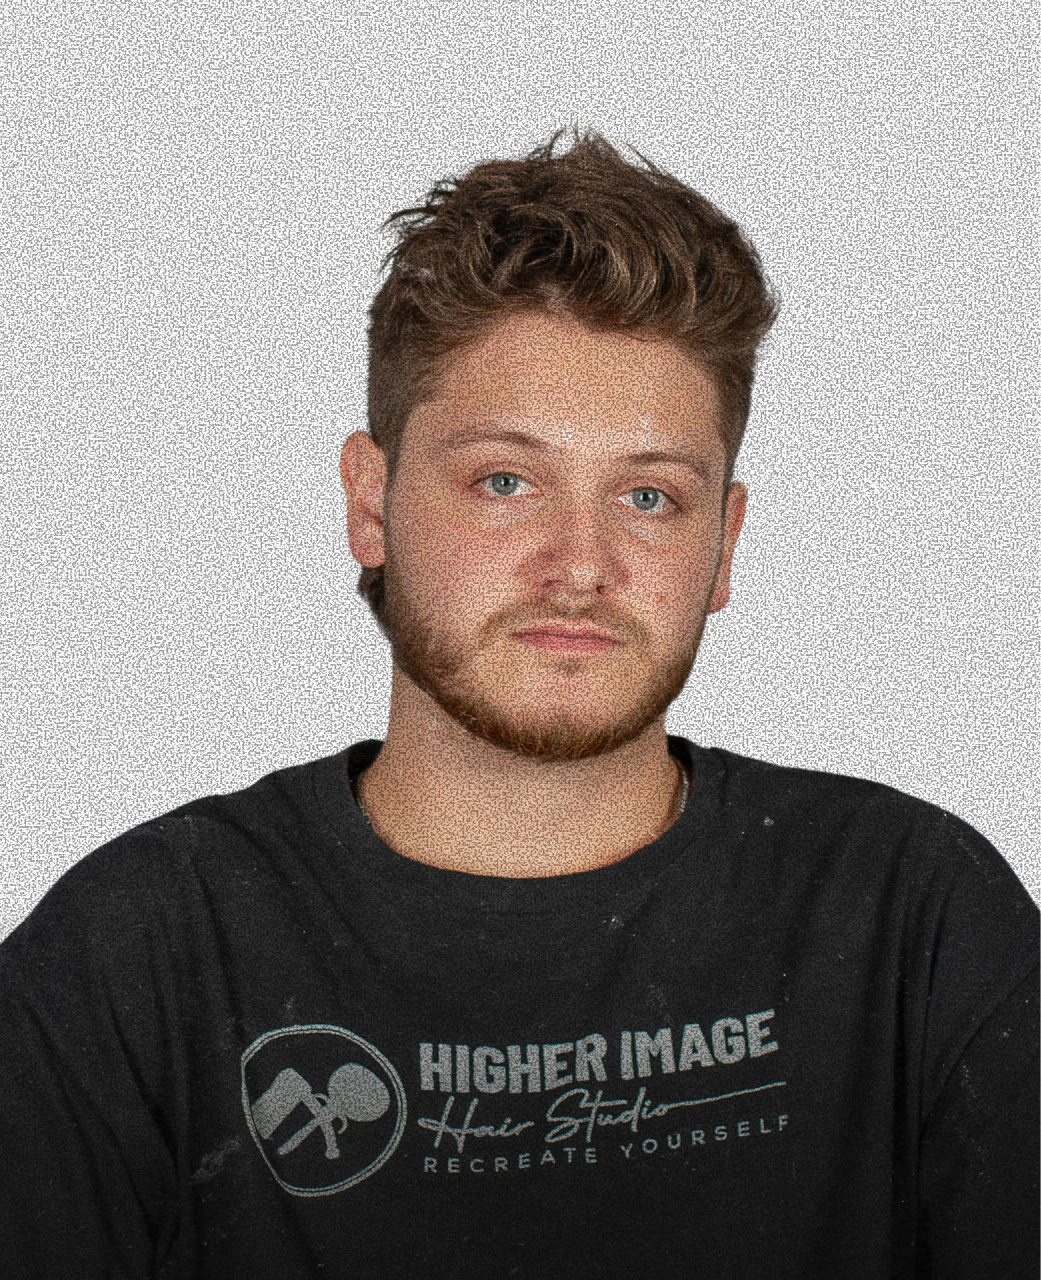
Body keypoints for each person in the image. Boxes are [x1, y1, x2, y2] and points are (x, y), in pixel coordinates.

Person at [1, 127, 1039, 1280]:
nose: (580, 563)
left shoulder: (915, 918)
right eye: (506, 480)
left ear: (725, 544)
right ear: (371, 501)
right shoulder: (138, 955)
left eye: (649, 494)